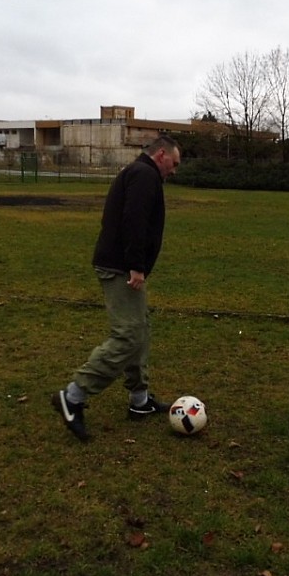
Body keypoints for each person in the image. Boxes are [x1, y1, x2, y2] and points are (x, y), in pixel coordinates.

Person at [53, 135, 182, 441]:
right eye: (174, 163)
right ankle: (72, 396)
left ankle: (139, 402)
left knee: (139, 329)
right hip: (121, 267)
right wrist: (136, 266)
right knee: (127, 335)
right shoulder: (144, 175)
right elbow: (133, 221)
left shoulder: (140, 173)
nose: (175, 171)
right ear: (161, 154)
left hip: (124, 266)